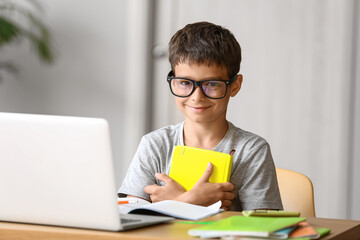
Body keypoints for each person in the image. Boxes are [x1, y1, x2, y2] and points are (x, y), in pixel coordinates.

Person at [118, 21, 283, 211]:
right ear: (173, 83)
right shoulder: (155, 144)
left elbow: (263, 228)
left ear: (234, 86)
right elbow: (131, 215)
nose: (197, 97)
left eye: (212, 84)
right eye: (185, 83)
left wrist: (174, 202)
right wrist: (190, 201)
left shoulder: (251, 150)